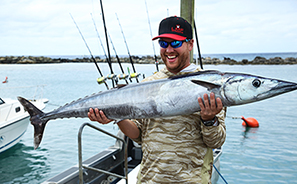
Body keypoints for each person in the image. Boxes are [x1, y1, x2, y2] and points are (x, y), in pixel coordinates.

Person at [88, 16, 226, 184]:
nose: (169, 50)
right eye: (163, 43)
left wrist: (209, 119)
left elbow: (216, 141)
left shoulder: (208, 85)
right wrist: (118, 118)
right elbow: (138, 134)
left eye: (175, 43)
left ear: (190, 44)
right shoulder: (147, 84)